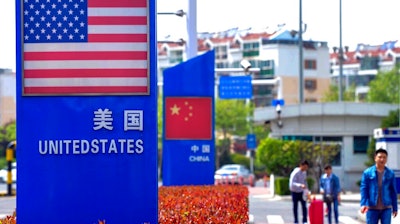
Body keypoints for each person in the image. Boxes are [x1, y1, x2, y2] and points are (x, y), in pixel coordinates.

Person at [360, 148, 398, 224]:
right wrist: (363, 204)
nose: (382, 159)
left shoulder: (390, 173)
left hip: (386, 207)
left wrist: (395, 208)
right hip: (371, 207)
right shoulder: (367, 173)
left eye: (384, 157)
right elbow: (364, 189)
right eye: (380, 157)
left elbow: (393, 192)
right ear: (375, 158)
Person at [289, 160, 309, 224]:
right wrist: (300, 185)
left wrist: (306, 189)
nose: (305, 169)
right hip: (295, 191)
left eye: (306, 167)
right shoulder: (295, 172)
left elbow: (304, 181)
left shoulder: (304, 172)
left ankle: (305, 221)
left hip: (302, 191)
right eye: (304, 167)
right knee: (295, 206)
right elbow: (292, 183)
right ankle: (296, 221)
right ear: (301, 166)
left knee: (304, 206)